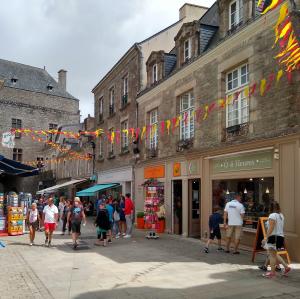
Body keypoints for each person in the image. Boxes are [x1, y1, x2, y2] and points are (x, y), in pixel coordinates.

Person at [262, 202, 291, 278]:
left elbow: (271, 227)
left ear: (270, 208)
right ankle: (286, 267)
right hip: (280, 237)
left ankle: (272, 272)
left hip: (273, 237)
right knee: (274, 254)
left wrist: (266, 237)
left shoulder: (272, 215)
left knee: (272, 255)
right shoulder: (281, 215)